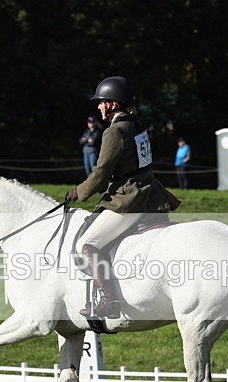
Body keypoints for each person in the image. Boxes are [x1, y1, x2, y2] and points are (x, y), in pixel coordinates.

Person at [65, 76, 179, 319]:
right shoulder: (137, 125)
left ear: (113, 104)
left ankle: (109, 301)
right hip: (151, 193)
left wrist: (79, 191)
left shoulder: (114, 132)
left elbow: (100, 175)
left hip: (130, 199)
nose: (98, 107)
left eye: (102, 102)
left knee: (88, 244)